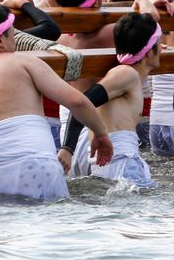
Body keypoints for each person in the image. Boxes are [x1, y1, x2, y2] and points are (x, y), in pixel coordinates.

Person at [0, 3, 112, 199]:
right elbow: (77, 102)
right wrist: (102, 134)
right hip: (38, 168)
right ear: (0, 40)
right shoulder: (22, 62)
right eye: (13, 35)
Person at [58, 9, 161, 186]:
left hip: (111, 162)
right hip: (122, 163)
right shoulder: (125, 74)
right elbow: (82, 104)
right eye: (159, 43)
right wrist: (67, 149)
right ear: (150, 52)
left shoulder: (122, 76)